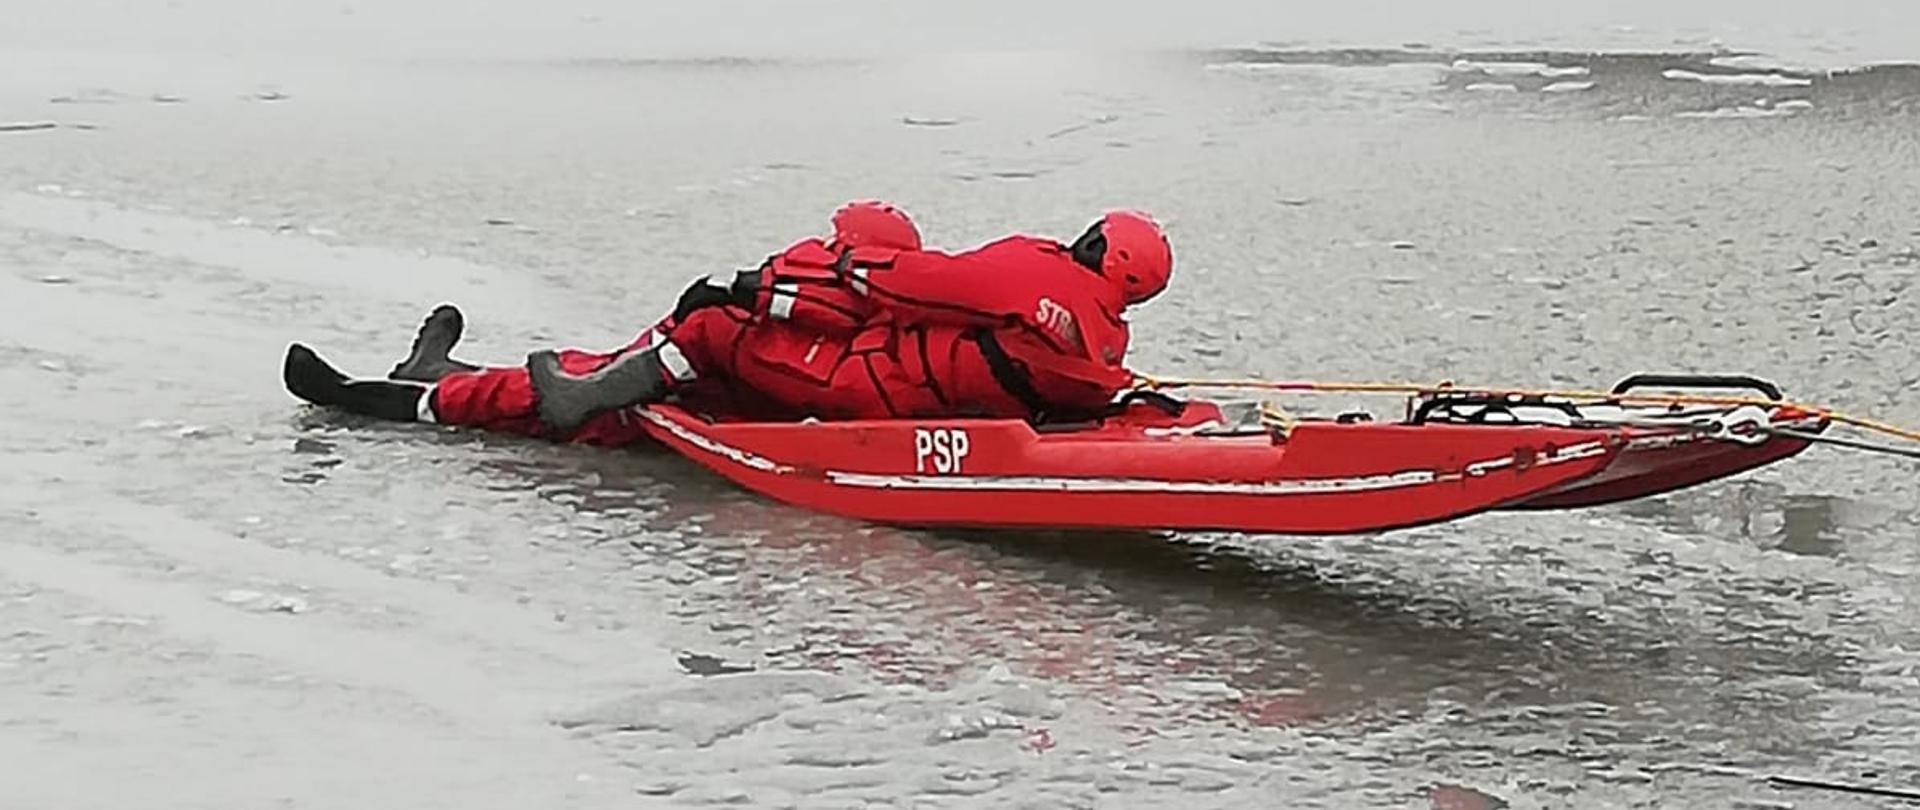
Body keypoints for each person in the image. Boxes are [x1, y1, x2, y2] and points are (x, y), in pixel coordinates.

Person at [283, 203, 1174, 443]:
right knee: (644, 365)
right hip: (869, 387)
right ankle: (436, 370)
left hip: (850, 389)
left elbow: (917, 282)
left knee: (681, 347)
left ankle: (417, 397)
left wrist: (734, 287)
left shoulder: (1030, 277)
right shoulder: (1103, 341)